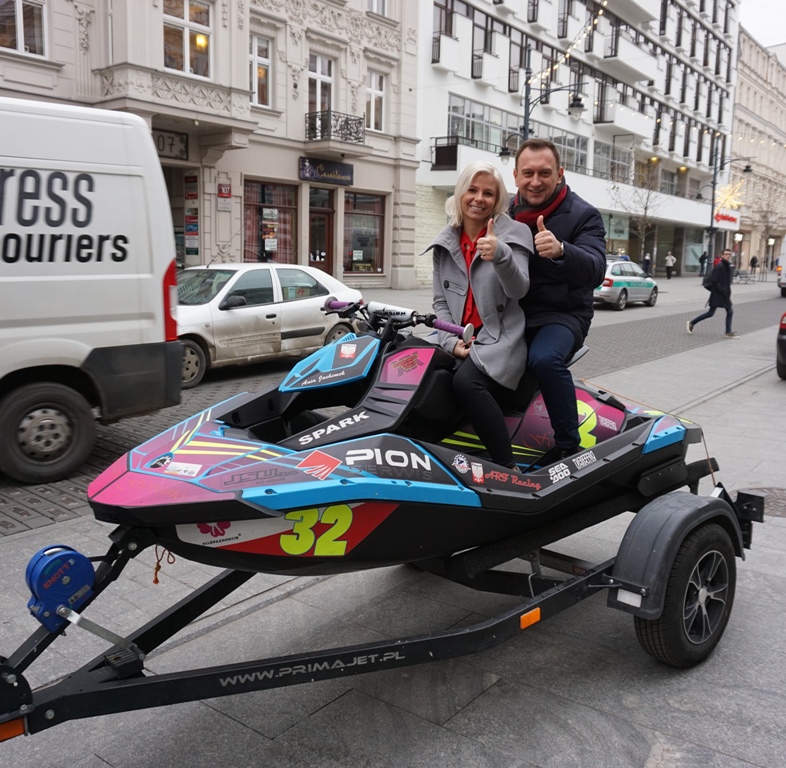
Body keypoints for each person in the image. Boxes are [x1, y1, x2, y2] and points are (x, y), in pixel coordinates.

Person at [428, 161, 532, 469]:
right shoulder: (446, 242)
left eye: (488, 193)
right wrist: (450, 340)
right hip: (460, 337)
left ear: (497, 200)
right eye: (472, 190)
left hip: (499, 340)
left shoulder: (515, 233)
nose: (479, 199)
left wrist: (501, 255)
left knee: (465, 383)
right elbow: (440, 303)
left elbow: (519, 289)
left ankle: (507, 465)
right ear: (461, 193)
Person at [509, 138, 606, 460]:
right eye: (528, 173)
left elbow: (596, 269)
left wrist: (563, 250)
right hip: (513, 312)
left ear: (560, 174)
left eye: (545, 173)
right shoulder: (504, 211)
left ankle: (568, 445)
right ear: (516, 176)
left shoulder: (584, 214)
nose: (535, 181)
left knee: (544, 359)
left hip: (562, 315)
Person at [687, 248, 737, 338]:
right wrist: (721, 290)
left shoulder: (727, 266)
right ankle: (692, 323)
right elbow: (714, 280)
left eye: (729, 254)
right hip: (718, 294)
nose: (728, 256)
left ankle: (728, 331)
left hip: (724, 293)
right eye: (726, 254)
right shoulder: (720, 266)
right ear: (722, 255)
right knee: (712, 313)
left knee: (727, 311)